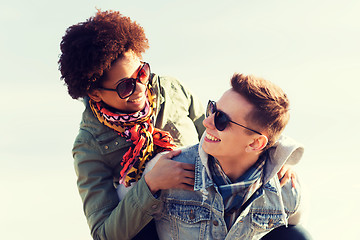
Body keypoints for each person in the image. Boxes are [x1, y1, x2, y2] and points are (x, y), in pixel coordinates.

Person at [59, 9, 302, 240]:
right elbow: (104, 233)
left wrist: (271, 159)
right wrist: (150, 185)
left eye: (142, 73)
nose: (141, 88)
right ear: (95, 94)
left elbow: (224, 132)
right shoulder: (89, 145)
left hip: (209, 212)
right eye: (126, 86)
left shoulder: (172, 90)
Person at [140, 73, 312, 239]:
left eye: (222, 120)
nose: (207, 122)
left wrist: (279, 162)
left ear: (255, 144)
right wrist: (150, 185)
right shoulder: (167, 170)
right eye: (212, 109)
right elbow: (123, 227)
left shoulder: (287, 189)